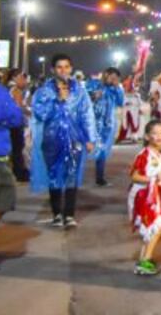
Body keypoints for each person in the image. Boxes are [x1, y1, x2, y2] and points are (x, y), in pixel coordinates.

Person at [30, 54, 97, 229]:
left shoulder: (80, 92)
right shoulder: (44, 91)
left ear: (71, 68)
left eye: (66, 67)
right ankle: (57, 214)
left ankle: (69, 215)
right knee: (54, 176)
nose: (63, 70)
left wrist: (90, 138)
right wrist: (57, 101)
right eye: (59, 67)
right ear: (53, 70)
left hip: (75, 139)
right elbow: (39, 114)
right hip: (51, 139)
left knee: (72, 176)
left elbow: (87, 115)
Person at [128, 119, 161, 276]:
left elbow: (155, 177)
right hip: (142, 196)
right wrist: (155, 180)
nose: (159, 136)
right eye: (155, 133)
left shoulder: (159, 153)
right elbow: (134, 176)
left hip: (152, 195)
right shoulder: (144, 154)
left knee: (153, 229)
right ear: (147, 136)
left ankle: (144, 259)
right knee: (157, 227)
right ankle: (144, 262)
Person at [0, 45, 25, 252]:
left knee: (3, 204)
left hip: (2, 156)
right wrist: (2, 115)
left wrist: (0, 115)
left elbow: (17, 117)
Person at [88, 67, 124, 187]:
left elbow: (120, 102)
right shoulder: (93, 84)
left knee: (102, 151)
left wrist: (117, 87)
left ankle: (100, 177)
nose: (113, 80)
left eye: (116, 78)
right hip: (92, 123)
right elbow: (85, 98)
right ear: (105, 75)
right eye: (111, 77)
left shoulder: (116, 89)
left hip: (108, 125)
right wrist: (94, 96)